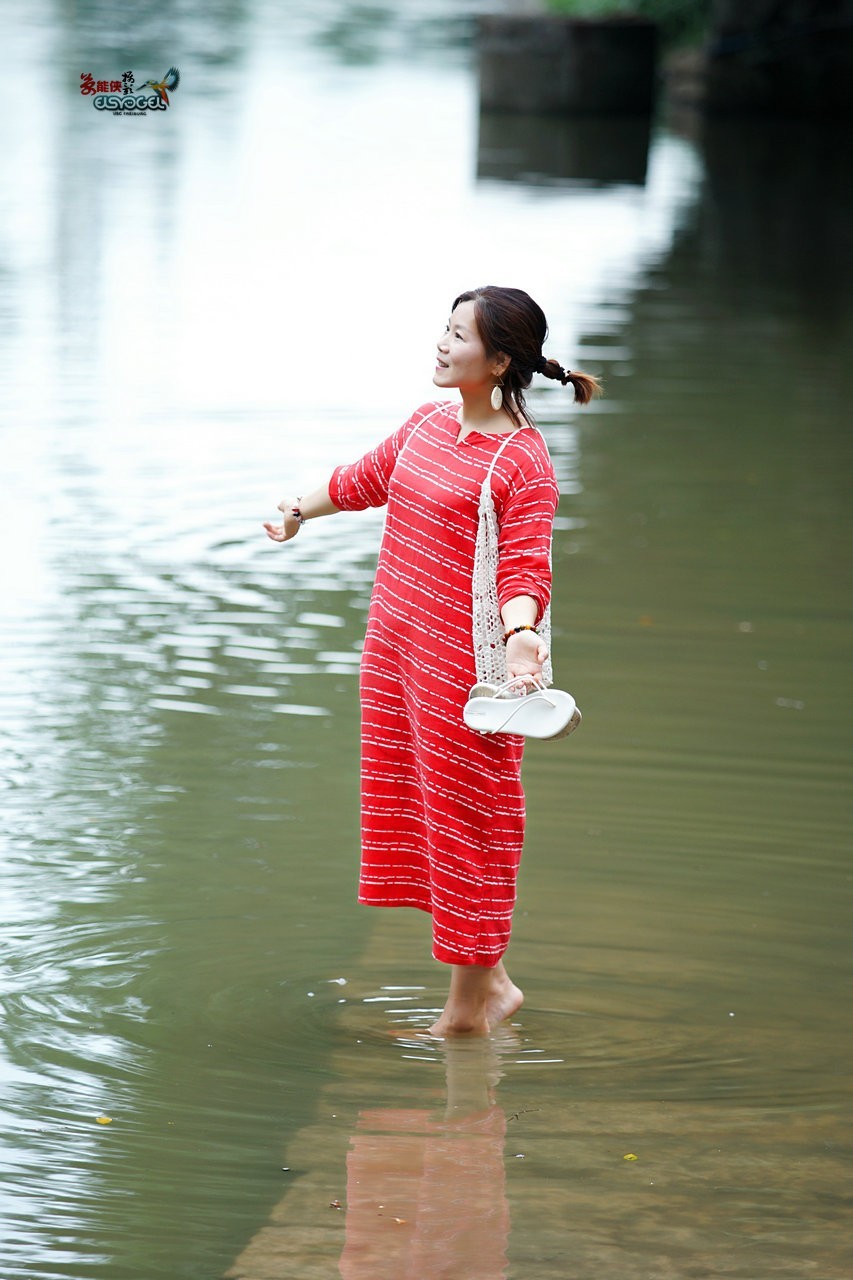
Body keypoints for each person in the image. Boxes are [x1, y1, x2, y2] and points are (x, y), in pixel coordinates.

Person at [263, 286, 599, 1037]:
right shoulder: (424, 425)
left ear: (500, 360)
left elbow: (525, 567)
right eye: (442, 330)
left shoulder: (523, 461)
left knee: (470, 823)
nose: (442, 345)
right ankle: (494, 985)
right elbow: (361, 480)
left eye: (459, 335)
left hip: (462, 675)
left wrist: (521, 636)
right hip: (392, 657)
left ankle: (465, 1011)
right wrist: (294, 510)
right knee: (417, 819)